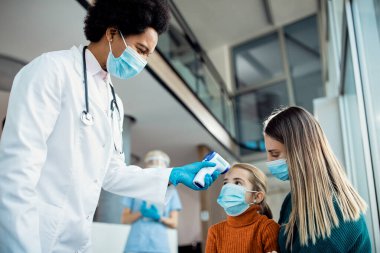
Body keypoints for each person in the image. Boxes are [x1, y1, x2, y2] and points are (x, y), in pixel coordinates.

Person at [0, 1, 220, 252]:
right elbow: (16, 172)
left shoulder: (113, 102)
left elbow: (112, 173)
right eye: (141, 49)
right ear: (112, 33)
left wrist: (171, 175)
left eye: (148, 54)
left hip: (77, 240)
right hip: (34, 236)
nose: (144, 60)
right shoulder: (50, 70)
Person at [263, 106, 371, 252]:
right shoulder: (292, 200)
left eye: (275, 154)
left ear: (299, 153)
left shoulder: (335, 213)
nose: (269, 161)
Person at [206, 163, 280, 253]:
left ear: (257, 197)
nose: (228, 187)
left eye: (237, 182)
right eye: (225, 183)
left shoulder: (267, 228)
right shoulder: (215, 231)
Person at [121, 150, 182, 253]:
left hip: (159, 245)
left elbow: (174, 223)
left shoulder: (171, 192)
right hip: (135, 243)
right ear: (146, 167)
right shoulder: (135, 188)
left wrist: (159, 217)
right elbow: (124, 219)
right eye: (152, 163)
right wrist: (141, 213)